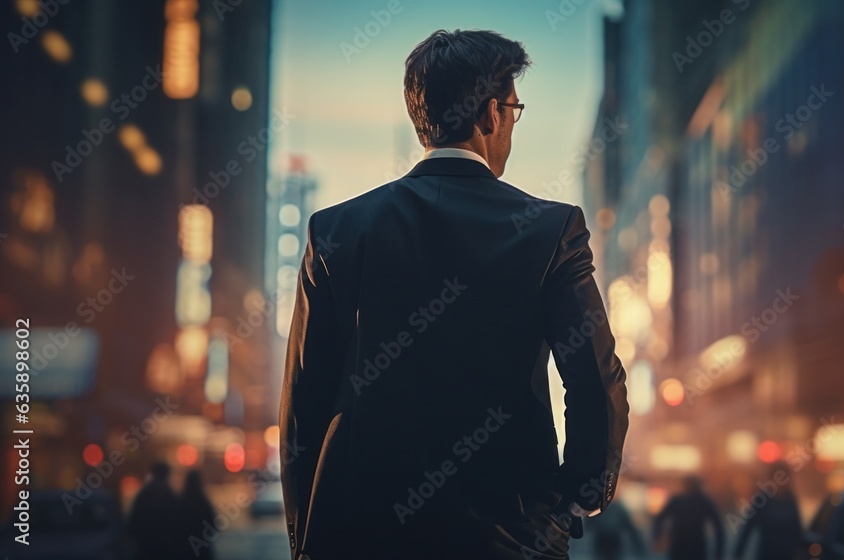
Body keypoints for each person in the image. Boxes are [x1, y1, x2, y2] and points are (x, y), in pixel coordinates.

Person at [279, 28, 630, 560]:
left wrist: (307, 539)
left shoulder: (336, 231)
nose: (512, 124)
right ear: (491, 115)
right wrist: (581, 494)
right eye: (514, 109)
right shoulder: (550, 230)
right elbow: (595, 376)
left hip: (362, 534)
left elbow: (303, 405)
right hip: (508, 533)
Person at [732, 461, 804, 560]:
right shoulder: (762, 499)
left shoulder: (790, 499)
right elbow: (748, 526)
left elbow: (798, 529)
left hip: (788, 555)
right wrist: (738, 552)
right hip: (767, 554)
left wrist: (803, 551)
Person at [652, 475, 724, 560]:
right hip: (696, 547)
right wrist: (718, 553)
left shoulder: (677, 501)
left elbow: (660, 519)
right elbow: (718, 527)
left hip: (679, 546)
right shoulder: (704, 502)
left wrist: (657, 537)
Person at [126, 461, 183, 560]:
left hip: (145, 545)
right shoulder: (169, 494)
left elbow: (134, 520)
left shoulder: (144, 493)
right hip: (165, 547)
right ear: (166, 474)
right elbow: (178, 522)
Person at [178, 470, 218, 560]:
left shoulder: (181, 501)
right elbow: (213, 524)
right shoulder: (203, 502)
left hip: (185, 547)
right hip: (202, 546)